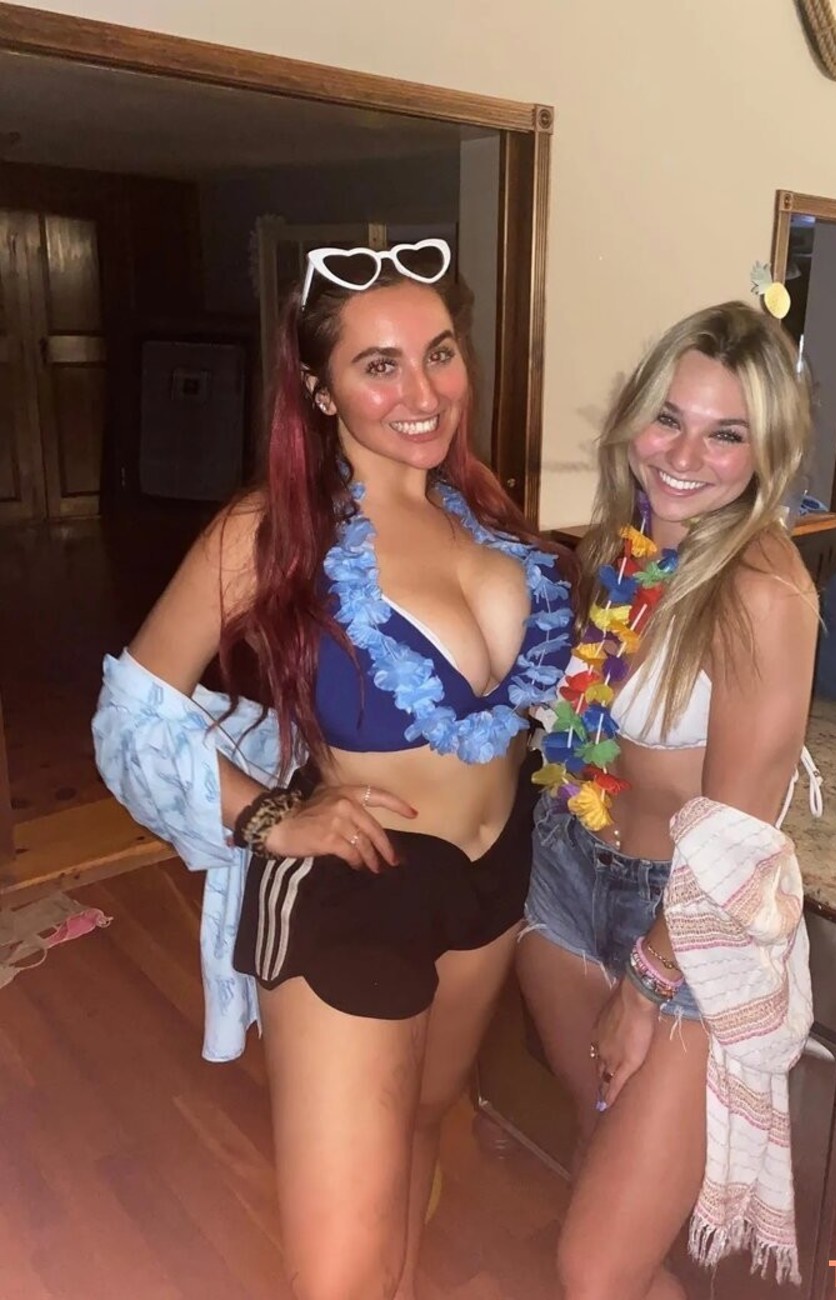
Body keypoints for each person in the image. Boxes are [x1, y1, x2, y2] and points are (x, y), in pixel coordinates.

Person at [93, 237, 573, 1300]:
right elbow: (133, 710)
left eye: (439, 353)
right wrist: (267, 816)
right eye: (379, 365)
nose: (423, 393)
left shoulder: (483, 515)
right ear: (318, 389)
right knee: (341, 1277)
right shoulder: (273, 529)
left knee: (423, 1131)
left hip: (494, 881)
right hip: (356, 887)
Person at [518, 301, 818, 1300]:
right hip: (567, 886)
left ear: (766, 449)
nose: (685, 457)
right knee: (601, 1175)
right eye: (668, 418)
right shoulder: (628, 541)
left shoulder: (763, 592)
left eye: (725, 433)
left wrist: (646, 988)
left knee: (594, 1268)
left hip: (683, 928)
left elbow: (735, 843)